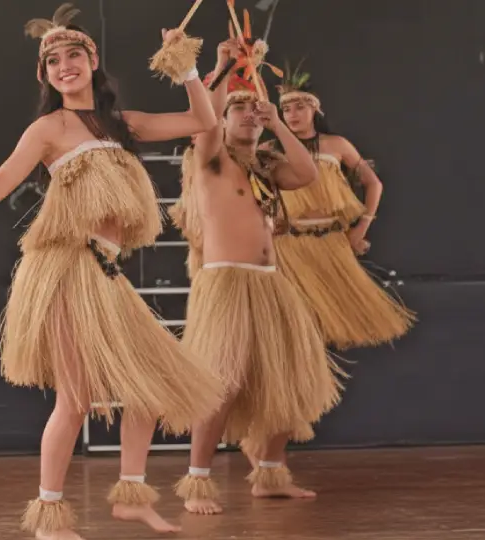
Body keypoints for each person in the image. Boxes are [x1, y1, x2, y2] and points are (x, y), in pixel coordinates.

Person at [0, 3, 224, 538]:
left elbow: (204, 121)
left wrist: (187, 68)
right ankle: (49, 514)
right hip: (63, 268)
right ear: (45, 75)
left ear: (93, 60)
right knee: (76, 399)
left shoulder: (121, 126)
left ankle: (131, 496)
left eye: (74, 54)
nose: (66, 65)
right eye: (54, 60)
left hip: (107, 274)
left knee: (151, 390)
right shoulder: (48, 129)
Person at [169, 41, 344, 515]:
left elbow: (308, 173)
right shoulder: (210, 157)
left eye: (253, 107)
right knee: (221, 385)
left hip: (271, 283)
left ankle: (269, 474)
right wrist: (226, 65)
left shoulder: (266, 164)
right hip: (226, 283)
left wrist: (279, 124)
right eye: (238, 108)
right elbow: (204, 114)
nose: (247, 114)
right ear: (223, 119)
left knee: (292, 380)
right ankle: (199, 480)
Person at [264, 62, 415, 349]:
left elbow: (374, 184)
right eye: (286, 110)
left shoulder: (336, 145)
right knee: (297, 328)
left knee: (334, 323)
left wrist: (362, 227)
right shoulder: (272, 150)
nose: (292, 115)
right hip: (287, 244)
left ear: (314, 110)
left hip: (331, 241)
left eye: (299, 107)